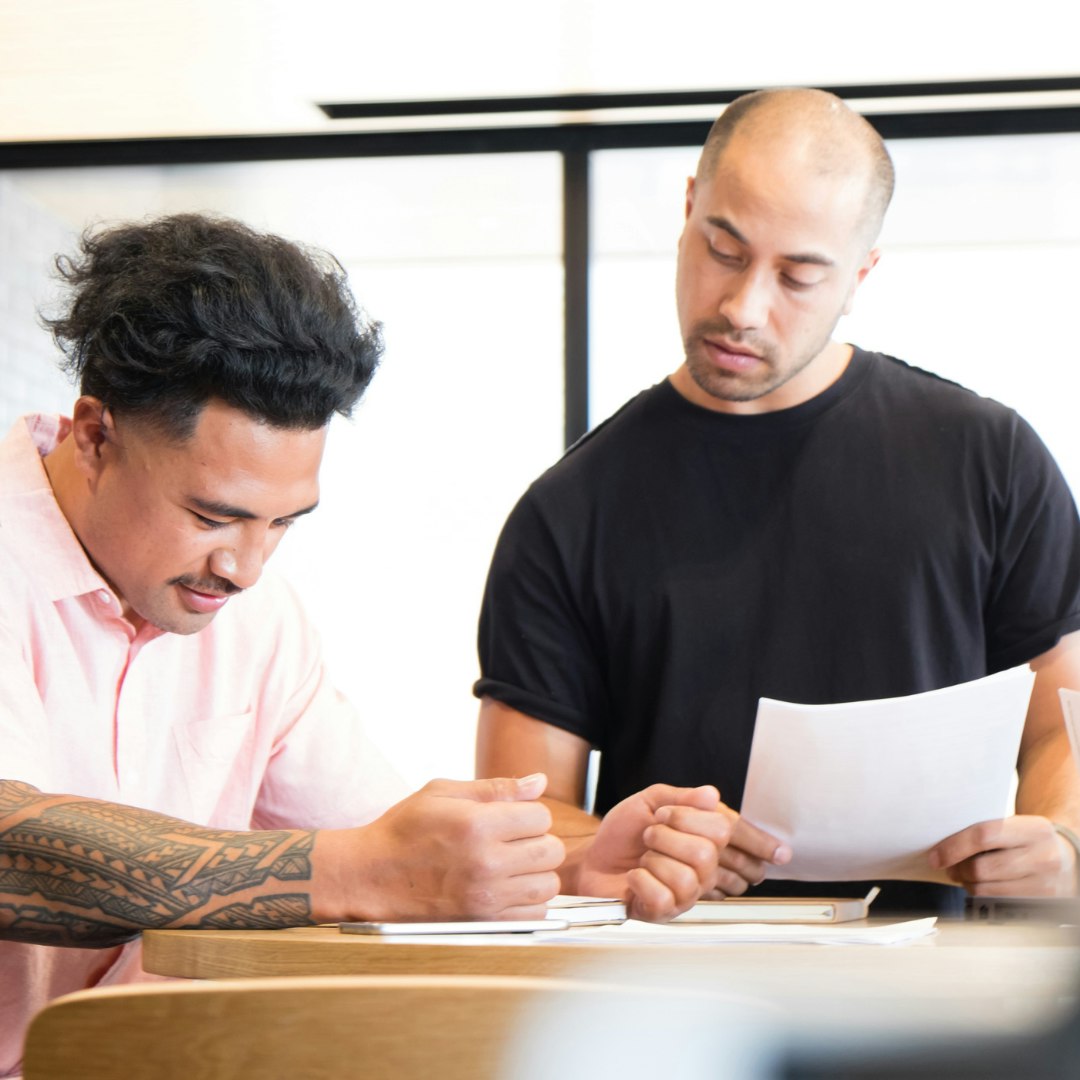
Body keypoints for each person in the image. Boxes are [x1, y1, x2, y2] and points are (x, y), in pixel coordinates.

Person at [0, 213, 733, 1077]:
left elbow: (381, 839)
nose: (243, 566)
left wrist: (566, 870)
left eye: (283, 523)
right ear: (94, 436)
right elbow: (15, 851)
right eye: (212, 516)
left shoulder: (259, 623)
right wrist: (354, 870)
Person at [474, 88, 1080, 915]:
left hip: (941, 992)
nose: (743, 307)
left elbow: (1060, 718)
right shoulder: (568, 510)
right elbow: (525, 813)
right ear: (689, 207)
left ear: (860, 275)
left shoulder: (990, 457)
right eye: (724, 249)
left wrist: (1065, 842)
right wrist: (638, 846)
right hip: (676, 989)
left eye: (799, 275)